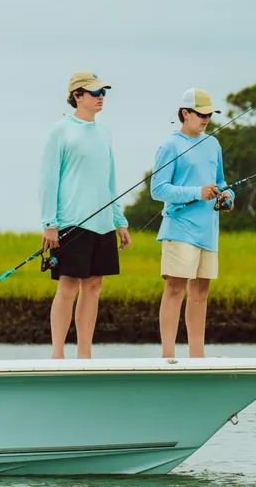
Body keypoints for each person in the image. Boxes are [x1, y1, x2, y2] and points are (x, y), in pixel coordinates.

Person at [39, 70, 131, 359]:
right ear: (77, 96)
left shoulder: (104, 132)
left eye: (103, 92)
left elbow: (110, 180)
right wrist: (49, 223)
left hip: (103, 224)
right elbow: (48, 180)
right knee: (68, 287)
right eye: (95, 92)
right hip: (71, 223)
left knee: (94, 287)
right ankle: (57, 354)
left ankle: (84, 354)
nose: (101, 97)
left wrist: (119, 220)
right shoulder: (60, 131)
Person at [150, 88, 234, 359]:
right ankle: (167, 355)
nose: (206, 119)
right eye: (201, 114)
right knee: (175, 288)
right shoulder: (170, 146)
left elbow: (220, 182)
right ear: (185, 113)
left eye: (209, 115)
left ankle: (197, 356)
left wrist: (228, 195)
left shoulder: (213, 144)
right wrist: (197, 192)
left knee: (201, 292)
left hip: (208, 230)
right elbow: (158, 189)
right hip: (180, 228)